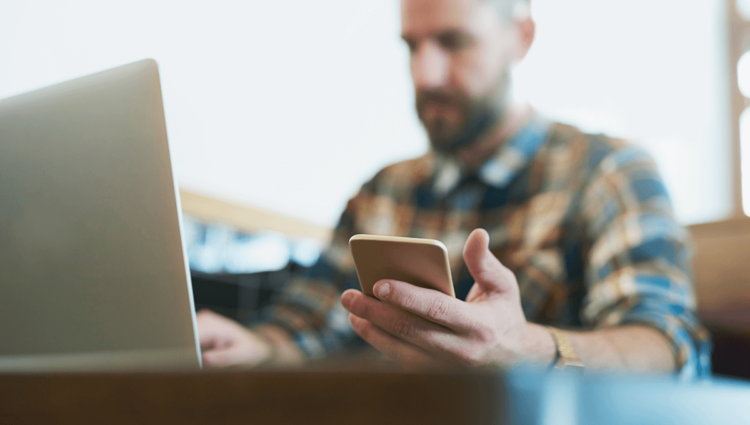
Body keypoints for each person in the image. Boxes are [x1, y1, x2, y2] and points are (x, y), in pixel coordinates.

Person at [197, 0, 710, 377]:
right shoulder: (382, 190)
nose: (426, 74)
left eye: (453, 42)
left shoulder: (609, 172)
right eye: (412, 46)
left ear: (521, 37)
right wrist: (258, 347)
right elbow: (306, 323)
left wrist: (527, 346)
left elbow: (668, 348)